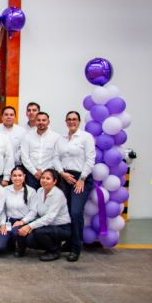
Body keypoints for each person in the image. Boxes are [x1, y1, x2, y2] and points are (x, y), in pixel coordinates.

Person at [54, 111, 95, 262]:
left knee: (76, 212)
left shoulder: (86, 137)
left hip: (81, 178)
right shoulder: (61, 139)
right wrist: (61, 173)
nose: (72, 122)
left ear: (79, 121)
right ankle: (69, 242)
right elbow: (55, 158)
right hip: (65, 177)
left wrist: (82, 178)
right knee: (66, 212)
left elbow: (90, 159)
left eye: (74, 119)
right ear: (66, 122)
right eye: (69, 119)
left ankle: (76, 247)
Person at [12, 169, 71, 261]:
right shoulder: (40, 191)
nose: (44, 180)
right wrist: (23, 222)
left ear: (54, 181)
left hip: (61, 227)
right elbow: (35, 211)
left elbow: (49, 218)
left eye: (48, 178)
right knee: (24, 233)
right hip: (45, 225)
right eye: (43, 178)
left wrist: (29, 226)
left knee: (38, 232)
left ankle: (54, 251)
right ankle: (22, 249)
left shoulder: (58, 194)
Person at [0, 166, 34, 255]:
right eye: (14, 176)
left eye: (20, 175)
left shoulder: (31, 191)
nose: (17, 178)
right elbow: (2, 210)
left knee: (15, 231)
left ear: (24, 176)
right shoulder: (5, 190)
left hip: (22, 222)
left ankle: (21, 246)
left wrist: (23, 221)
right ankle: (10, 244)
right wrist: (2, 224)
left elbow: (33, 211)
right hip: (9, 221)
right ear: (11, 177)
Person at [20, 112, 60, 189]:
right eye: (38, 120)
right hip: (31, 174)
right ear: (35, 121)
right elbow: (24, 156)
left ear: (48, 122)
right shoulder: (27, 137)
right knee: (31, 195)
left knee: (48, 195)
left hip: (49, 175)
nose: (41, 122)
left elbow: (56, 157)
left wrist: (43, 171)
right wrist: (34, 172)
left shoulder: (56, 137)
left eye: (44, 120)